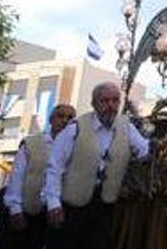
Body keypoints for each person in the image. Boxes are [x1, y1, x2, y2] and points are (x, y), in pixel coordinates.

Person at [44, 83, 150, 249]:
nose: (110, 106)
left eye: (115, 101)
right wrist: (53, 203)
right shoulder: (76, 128)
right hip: (72, 207)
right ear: (94, 103)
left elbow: (145, 151)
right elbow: (54, 167)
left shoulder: (126, 128)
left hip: (104, 206)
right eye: (105, 101)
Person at [0, 104, 75, 249]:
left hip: (54, 216)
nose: (65, 121)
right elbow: (17, 177)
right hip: (26, 213)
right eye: (61, 116)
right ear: (51, 120)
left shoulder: (75, 149)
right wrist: (15, 209)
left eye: (70, 118)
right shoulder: (32, 144)